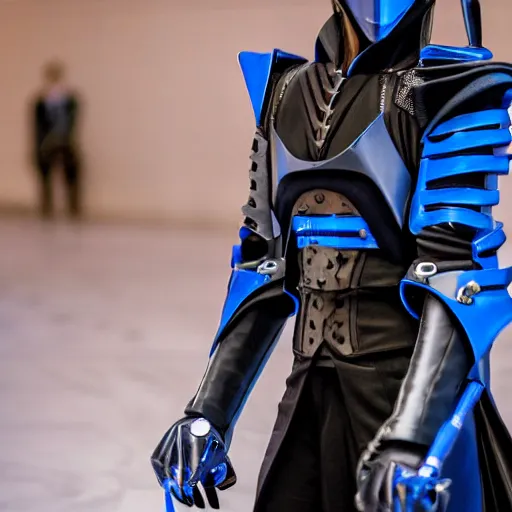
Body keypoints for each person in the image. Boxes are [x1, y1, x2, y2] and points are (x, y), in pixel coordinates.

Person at [151, 1, 512, 510]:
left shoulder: (449, 91)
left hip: (405, 397)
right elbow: (263, 267)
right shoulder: (285, 92)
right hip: (309, 391)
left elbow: (455, 281)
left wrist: (411, 437)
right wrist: (207, 412)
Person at [32, 60, 81, 219]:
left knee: (71, 173)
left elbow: (74, 121)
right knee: (45, 173)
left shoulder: (69, 99)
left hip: (64, 141)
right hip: (46, 142)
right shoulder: (41, 100)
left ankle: (73, 207)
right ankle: (46, 207)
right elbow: (36, 126)